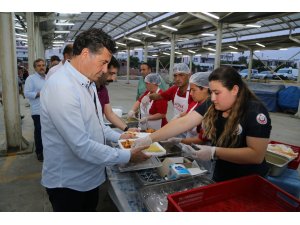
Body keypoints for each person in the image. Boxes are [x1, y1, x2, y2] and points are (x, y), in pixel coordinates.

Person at [40, 28, 149, 212]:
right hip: (69, 184)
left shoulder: (88, 84)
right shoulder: (62, 87)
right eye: (103, 62)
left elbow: (98, 125)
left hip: (89, 176)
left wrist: (121, 137)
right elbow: (81, 146)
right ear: (85, 54)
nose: (105, 70)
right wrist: (128, 155)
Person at [133, 66, 272, 182]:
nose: (213, 98)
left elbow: (256, 155)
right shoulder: (212, 103)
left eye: (217, 93)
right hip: (222, 172)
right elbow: (185, 122)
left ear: (235, 90)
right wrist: (150, 138)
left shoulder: (255, 112)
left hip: (249, 178)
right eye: (211, 93)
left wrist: (214, 151)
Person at [95, 56, 138, 132]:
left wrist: (127, 129)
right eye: (111, 73)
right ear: (102, 69)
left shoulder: (103, 90)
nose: (113, 78)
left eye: (115, 74)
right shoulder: (87, 90)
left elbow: (110, 114)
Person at [166, 72, 210, 145]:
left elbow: (201, 139)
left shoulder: (209, 109)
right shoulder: (195, 102)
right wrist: (178, 117)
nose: (191, 94)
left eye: (193, 90)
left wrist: (179, 140)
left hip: (200, 148)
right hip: (188, 140)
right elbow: (188, 113)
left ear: (205, 89)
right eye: (190, 90)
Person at [24, 58, 46, 162]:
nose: (42, 67)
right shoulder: (31, 79)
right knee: (39, 131)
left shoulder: (47, 78)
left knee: (47, 132)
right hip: (37, 111)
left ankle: (46, 150)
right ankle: (39, 152)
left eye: (43, 65)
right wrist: (38, 93)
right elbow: (27, 93)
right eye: (39, 65)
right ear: (35, 67)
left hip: (48, 111)